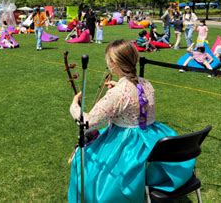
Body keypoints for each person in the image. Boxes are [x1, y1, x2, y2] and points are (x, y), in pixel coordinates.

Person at [68, 40, 195, 202]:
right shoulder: (146, 83)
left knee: (82, 160)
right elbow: (136, 100)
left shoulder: (118, 94)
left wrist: (73, 106)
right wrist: (118, 87)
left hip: (128, 144)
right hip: (151, 137)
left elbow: (87, 123)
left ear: (113, 63)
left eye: (108, 60)